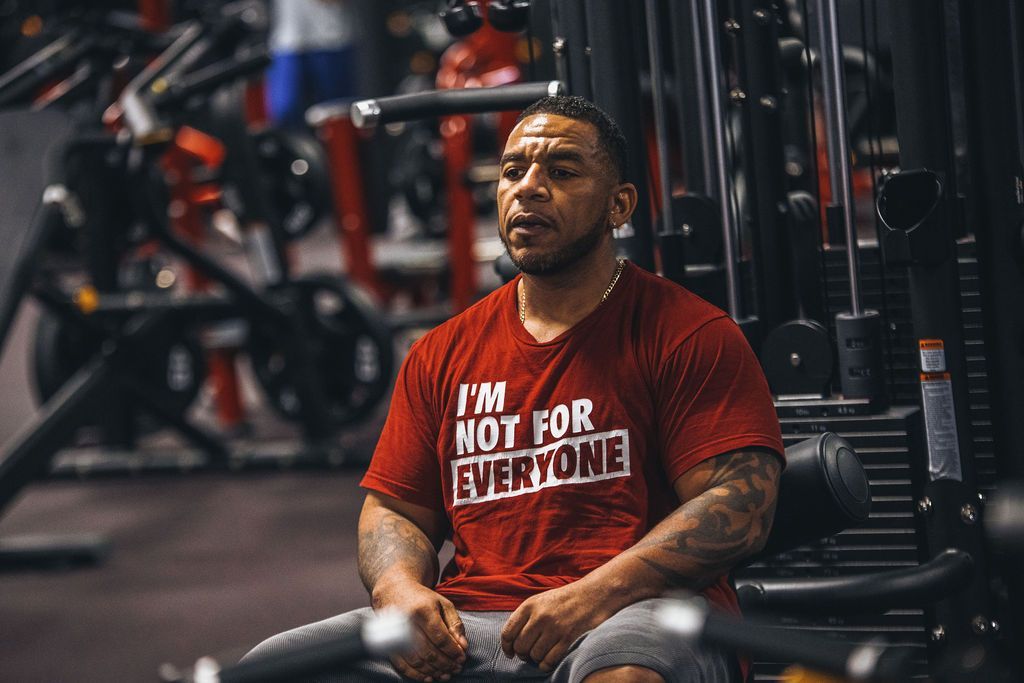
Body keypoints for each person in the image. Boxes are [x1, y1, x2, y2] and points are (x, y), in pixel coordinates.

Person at [244, 95, 784, 682]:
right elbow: (395, 509)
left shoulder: (688, 333)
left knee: (624, 674)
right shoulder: (443, 351)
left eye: (562, 171)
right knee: (274, 667)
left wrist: (596, 593)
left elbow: (741, 504)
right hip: (470, 622)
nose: (528, 187)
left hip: (640, 611)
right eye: (512, 171)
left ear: (618, 205)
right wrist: (398, 590)